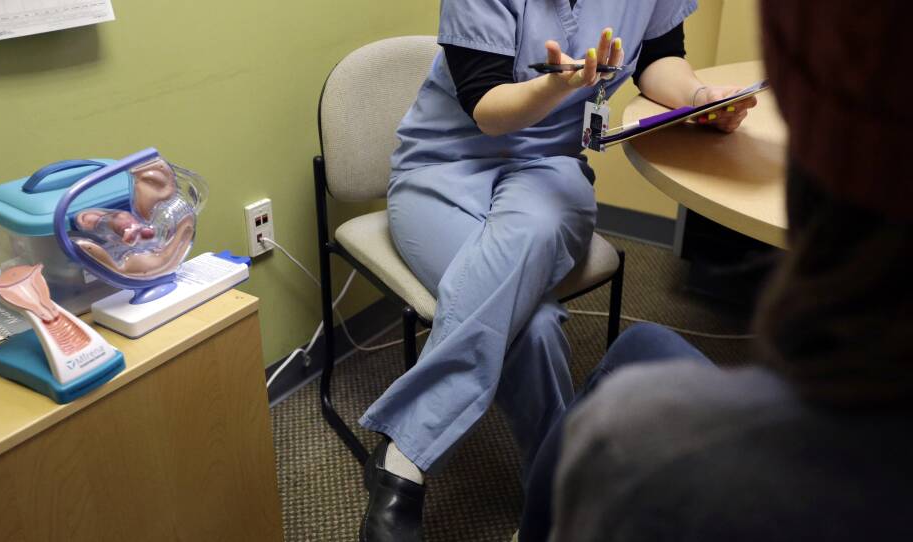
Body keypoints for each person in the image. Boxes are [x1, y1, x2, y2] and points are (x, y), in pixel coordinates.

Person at [358, 1, 758, 540]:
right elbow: (486, 107)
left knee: (537, 228)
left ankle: (401, 458)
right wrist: (557, 88)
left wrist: (698, 98)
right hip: (444, 167)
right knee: (535, 324)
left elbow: (660, 58)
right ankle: (564, 490)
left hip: (549, 171)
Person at [532, 2, 913, 540]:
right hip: (495, 166)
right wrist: (699, 99)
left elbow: (661, 52)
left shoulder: (636, 451)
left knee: (578, 361)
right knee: (626, 344)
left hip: (543, 177)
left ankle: (416, 464)